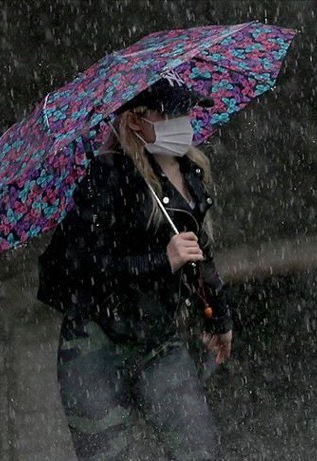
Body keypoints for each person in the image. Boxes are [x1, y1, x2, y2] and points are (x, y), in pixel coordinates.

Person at [37, 70, 233, 460]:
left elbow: (200, 253)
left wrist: (219, 318)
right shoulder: (106, 177)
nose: (183, 124)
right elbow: (86, 264)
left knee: (199, 449)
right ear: (134, 121)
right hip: (95, 343)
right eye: (169, 115)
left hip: (158, 339)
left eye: (187, 113)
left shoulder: (191, 176)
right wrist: (162, 260)